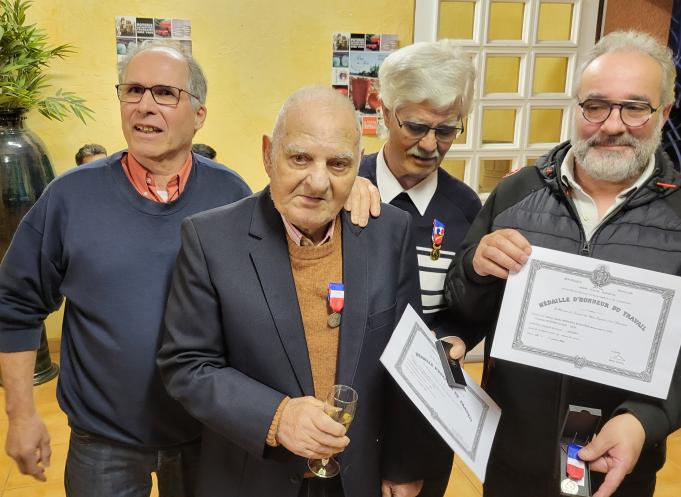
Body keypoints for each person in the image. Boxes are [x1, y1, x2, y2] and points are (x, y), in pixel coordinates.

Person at [0, 43, 378, 496]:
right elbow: (15, 306)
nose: (144, 106)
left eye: (164, 93)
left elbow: (304, 213)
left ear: (199, 114)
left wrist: (352, 190)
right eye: (133, 90)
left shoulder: (230, 192)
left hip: (211, 437)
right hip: (105, 444)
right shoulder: (69, 198)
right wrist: (22, 415)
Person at [157, 86, 433, 497]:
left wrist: (403, 465)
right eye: (300, 158)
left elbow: (409, 362)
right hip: (254, 477)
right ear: (269, 154)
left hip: (357, 478)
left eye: (338, 164)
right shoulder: (210, 239)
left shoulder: (388, 233)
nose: (318, 182)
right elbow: (187, 364)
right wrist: (276, 416)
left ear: (359, 166)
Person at [444, 30, 681, 497]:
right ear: (576, 108)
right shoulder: (515, 194)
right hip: (510, 458)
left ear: (664, 114)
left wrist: (646, 420)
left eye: (635, 107)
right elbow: (463, 307)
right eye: (595, 105)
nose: (612, 125)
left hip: (620, 468)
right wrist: (475, 268)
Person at [358, 39, 482, 496]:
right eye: (416, 126)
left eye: (447, 130)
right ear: (383, 109)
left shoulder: (466, 207)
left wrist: (461, 337)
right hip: (347, 415)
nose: (431, 145)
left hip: (426, 416)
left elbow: (467, 306)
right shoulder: (340, 187)